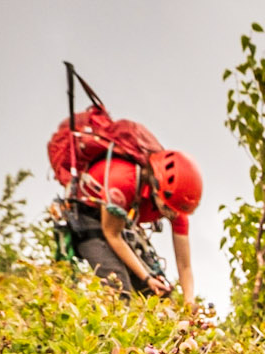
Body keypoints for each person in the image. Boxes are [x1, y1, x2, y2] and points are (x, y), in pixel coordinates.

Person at [47, 99, 201, 300]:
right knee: (119, 289)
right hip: (90, 219)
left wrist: (189, 302)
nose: (171, 215)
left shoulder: (175, 202)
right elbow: (112, 234)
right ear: (156, 188)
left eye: (174, 211)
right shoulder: (123, 181)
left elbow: (185, 265)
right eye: (168, 209)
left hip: (121, 222)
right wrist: (146, 278)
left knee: (161, 299)